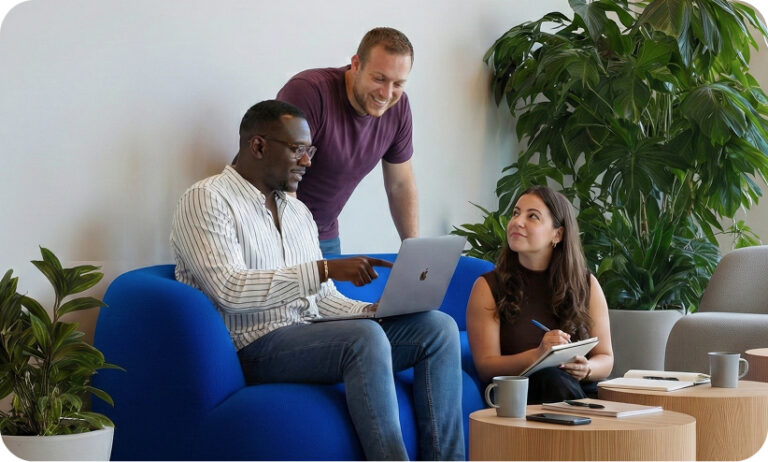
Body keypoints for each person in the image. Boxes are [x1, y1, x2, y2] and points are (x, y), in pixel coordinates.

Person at [170, 100, 464, 460]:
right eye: (297, 150)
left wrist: (373, 310)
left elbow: (323, 299)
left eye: (309, 150)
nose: (308, 161)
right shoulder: (206, 198)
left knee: (437, 327)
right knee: (362, 339)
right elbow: (230, 289)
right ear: (258, 146)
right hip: (254, 347)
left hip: (309, 336)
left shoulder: (298, 212)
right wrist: (323, 270)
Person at [276, 27, 418, 255]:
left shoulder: (398, 108)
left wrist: (415, 254)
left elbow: (400, 185)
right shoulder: (309, 92)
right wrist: (299, 251)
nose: (386, 93)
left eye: (398, 84)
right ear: (356, 64)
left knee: (336, 291)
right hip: (270, 225)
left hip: (323, 232)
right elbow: (282, 178)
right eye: (379, 78)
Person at [466, 185, 614, 404]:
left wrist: (587, 368)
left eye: (532, 216)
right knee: (551, 379)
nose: (517, 221)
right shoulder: (488, 286)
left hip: (579, 389)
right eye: (516, 213)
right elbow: (487, 367)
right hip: (520, 393)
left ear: (558, 233)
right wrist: (540, 354)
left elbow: (606, 358)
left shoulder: (586, 283)